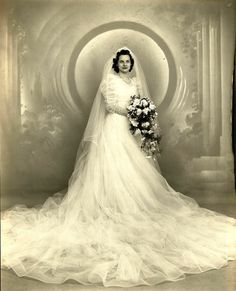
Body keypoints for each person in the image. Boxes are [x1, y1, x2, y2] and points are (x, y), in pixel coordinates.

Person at [1, 47, 236, 287]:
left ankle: (133, 209)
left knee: (135, 171)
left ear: (132, 64)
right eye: (122, 62)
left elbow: (139, 102)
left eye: (128, 62)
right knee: (112, 168)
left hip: (130, 129)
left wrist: (143, 116)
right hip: (114, 127)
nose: (125, 65)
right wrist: (136, 110)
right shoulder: (109, 81)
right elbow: (112, 106)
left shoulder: (134, 81)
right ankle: (110, 207)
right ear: (116, 63)